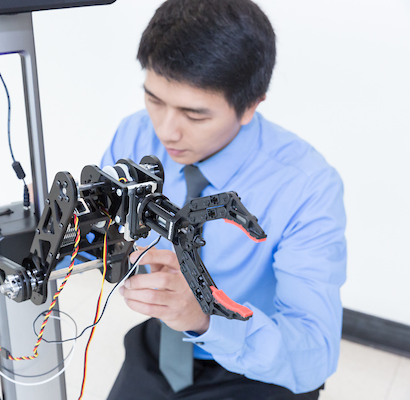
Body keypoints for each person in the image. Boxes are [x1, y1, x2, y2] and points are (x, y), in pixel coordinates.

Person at [100, 0, 347, 399]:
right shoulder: (135, 135)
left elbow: (313, 355)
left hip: (258, 362)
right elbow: (98, 230)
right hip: (163, 341)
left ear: (251, 106)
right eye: (154, 100)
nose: (166, 132)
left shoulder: (307, 186)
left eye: (194, 116)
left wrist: (205, 315)